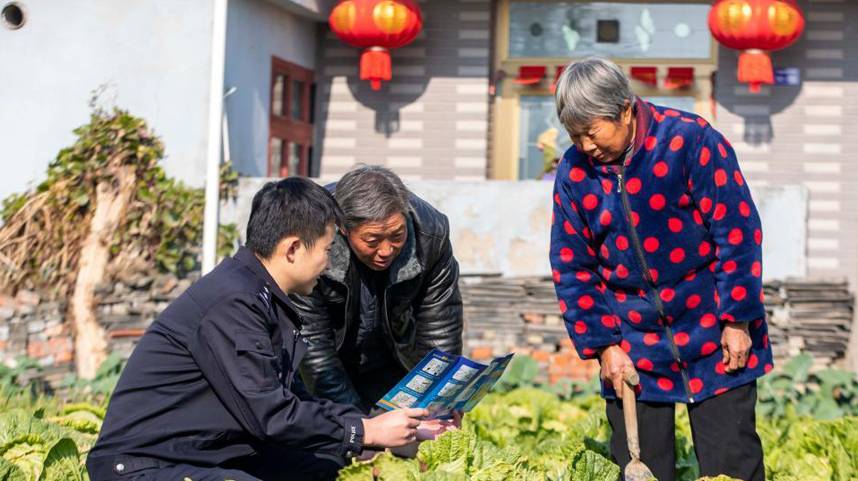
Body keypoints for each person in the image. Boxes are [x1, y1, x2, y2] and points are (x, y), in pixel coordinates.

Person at [86, 178, 445, 481]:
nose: (328, 263)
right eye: (325, 249)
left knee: (333, 466)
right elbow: (272, 416)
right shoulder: (232, 303)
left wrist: (383, 434)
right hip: (144, 466)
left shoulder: (263, 298)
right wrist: (366, 432)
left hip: (212, 454)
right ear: (292, 249)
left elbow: (298, 403)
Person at [549, 58, 772, 481]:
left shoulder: (689, 140)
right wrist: (603, 345)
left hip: (713, 326)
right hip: (632, 339)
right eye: (574, 136)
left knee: (733, 465)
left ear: (626, 111)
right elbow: (571, 264)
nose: (585, 146)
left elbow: (737, 231)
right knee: (641, 469)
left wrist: (738, 320)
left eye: (592, 132)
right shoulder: (574, 172)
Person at [291, 165, 463, 415]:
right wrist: (361, 431)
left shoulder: (431, 234)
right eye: (372, 241)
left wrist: (436, 404)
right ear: (343, 228)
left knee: (417, 437)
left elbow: (440, 327)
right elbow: (312, 345)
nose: (386, 250)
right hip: (319, 371)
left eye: (397, 235)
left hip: (392, 362)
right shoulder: (311, 236)